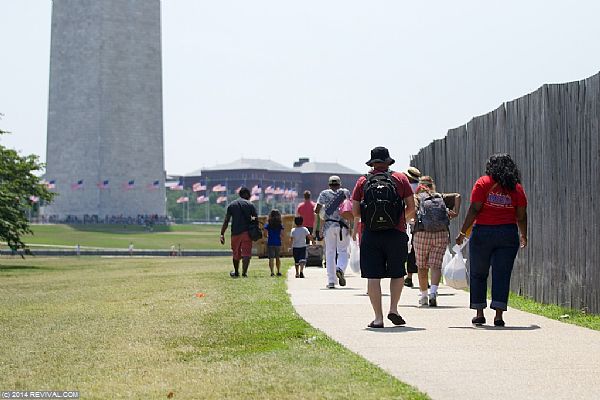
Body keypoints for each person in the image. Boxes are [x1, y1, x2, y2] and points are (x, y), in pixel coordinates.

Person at [456, 153, 528, 327]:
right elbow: (521, 214)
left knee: (478, 273)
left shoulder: (483, 183)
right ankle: (498, 316)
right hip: (508, 233)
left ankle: (479, 313)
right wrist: (523, 234)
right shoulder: (516, 188)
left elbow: (474, 209)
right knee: (502, 274)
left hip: (483, 233)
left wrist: (463, 232)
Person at [351, 146, 415, 328]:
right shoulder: (400, 178)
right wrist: (399, 219)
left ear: (372, 163)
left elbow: (355, 212)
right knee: (397, 273)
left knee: (373, 276)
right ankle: (393, 309)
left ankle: (378, 318)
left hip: (371, 234)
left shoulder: (363, 181)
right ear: (388, 162)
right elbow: (411, 208)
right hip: (396, 233)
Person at [412, 176, 461, 306]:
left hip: (422, 234)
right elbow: (457, 196)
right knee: (436, 265)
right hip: (441, 233)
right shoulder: (440, 197)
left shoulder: (417, 197)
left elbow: (413, 212)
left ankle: (423, 296)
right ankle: (433, 293)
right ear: (432, 185)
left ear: (420, 186)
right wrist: (455, 213)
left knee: (422, 266)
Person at [315, 175, 352, 289]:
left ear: (329, 184)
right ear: (339, 184)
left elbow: (317, 210)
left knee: (330, 253)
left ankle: (331, 281)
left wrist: (318, 226)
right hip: (343, 226)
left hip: (329, 226)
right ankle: (340, 268)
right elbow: (349, 208)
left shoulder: (324, 194)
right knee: (343, 251)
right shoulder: (345, 192)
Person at [220, 187, 258, 278]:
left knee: (236, 253)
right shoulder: (250, 205)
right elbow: (255, 219)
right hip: (247, 233)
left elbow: (226, 220)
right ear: (246, 194)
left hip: (235, 233)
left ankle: (236, 272)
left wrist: (222, 233)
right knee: (246, 253)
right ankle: (244, 273)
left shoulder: (232, 205)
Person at [403, 167, 422, 288]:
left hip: (410, 221)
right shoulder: (422, 187)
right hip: (423, 222)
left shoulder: (407, 187)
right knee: (422, 252)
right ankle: (424, 279)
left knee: (411, 252)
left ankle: (409, 277)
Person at [264, 209, 284, 276]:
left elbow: (265, 234)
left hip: (270, 243)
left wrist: (268, 237)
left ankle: (272, 272)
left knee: (271, 258)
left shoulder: (268, 225)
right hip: (278, 243)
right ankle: (278, 271)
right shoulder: (280, 225)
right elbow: (282, 234)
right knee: (278, 258)